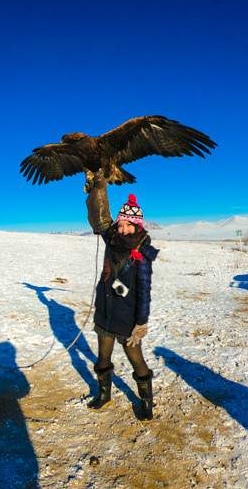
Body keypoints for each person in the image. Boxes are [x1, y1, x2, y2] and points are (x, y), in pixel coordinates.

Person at [84, 171, 159, 422]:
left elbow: (145, 292)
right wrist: (98, 185)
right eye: (121, 224)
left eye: (129, 225)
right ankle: (104, 394)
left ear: (138, 226)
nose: (124, 229)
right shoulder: (111, 240)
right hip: (106, 311)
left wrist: (141, 322)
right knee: (102, 358)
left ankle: (146, 403)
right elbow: (99, 217)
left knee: (137, 361)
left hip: (128, 319)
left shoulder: (143, 254)